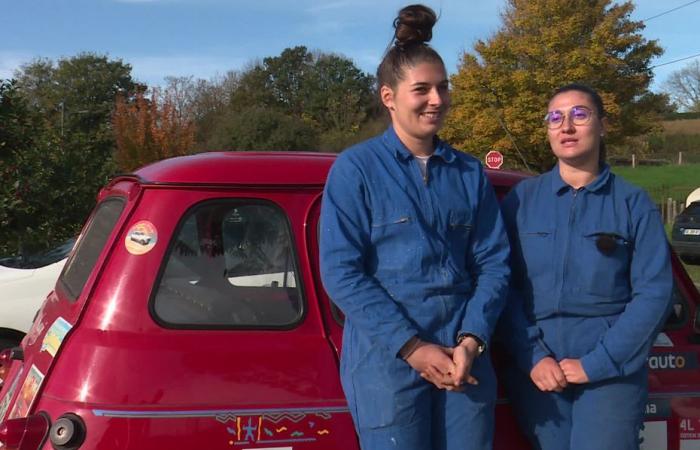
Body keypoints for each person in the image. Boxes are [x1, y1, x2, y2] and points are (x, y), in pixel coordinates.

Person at [319, 4, 510, 450]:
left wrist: (472, 339)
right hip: (388, 361)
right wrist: (412, 347)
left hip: (465, 361)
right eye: (422, 89)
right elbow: (342, 273)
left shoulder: (468, 172)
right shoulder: (356, 170)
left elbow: (494, 263)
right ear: (389, 96)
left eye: (443, 88)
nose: (437, 100)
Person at [499, 83, 673, 450]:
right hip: (539, 371)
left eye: (580, 114)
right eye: (555, 117)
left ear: (602, 125)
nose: (567, 126)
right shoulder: (521, 201)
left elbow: (654, 293)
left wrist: (598, 362)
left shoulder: (632, 204)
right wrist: (532, 356)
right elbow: (502, 285)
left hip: (611, 374)